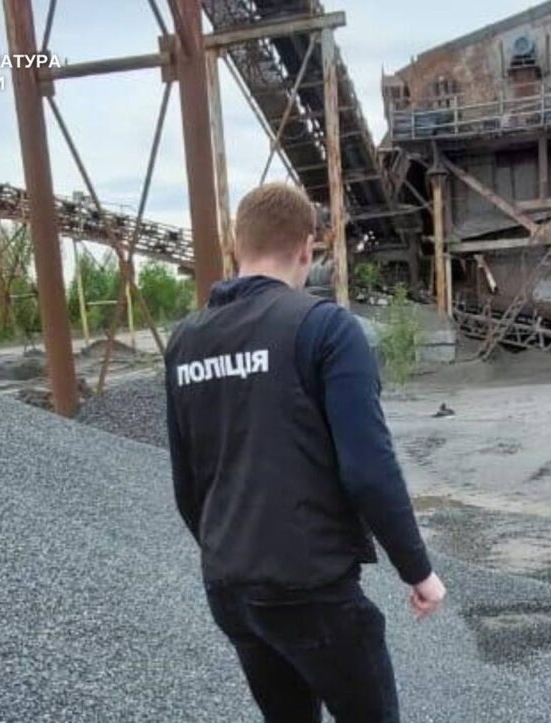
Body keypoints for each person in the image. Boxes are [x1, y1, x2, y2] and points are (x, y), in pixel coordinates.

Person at [165, 182, 446, 723]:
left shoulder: (186, 341)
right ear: (306, 249)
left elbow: (186, 482)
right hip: (310, 588)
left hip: (230, 588)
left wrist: (231, 555)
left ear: (235, 246)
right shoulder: (325, 328)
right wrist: (418, 571)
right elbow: (368, 469)